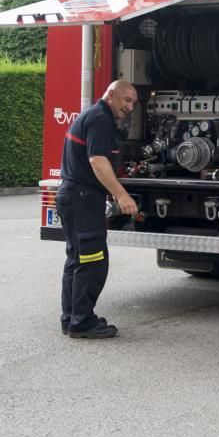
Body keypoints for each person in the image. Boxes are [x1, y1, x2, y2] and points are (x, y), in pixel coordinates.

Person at [56, 80, 138, 339]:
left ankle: (71, 317)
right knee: (93, 262)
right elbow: (98, 161)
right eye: (126, 100)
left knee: (77, 259)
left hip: (71, 196)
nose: (130, 107)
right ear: (111, 95)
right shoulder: (101, 119)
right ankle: (82, 321)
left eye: (133, 103)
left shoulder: (92, 116)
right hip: (82, 199)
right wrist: (121, 195)